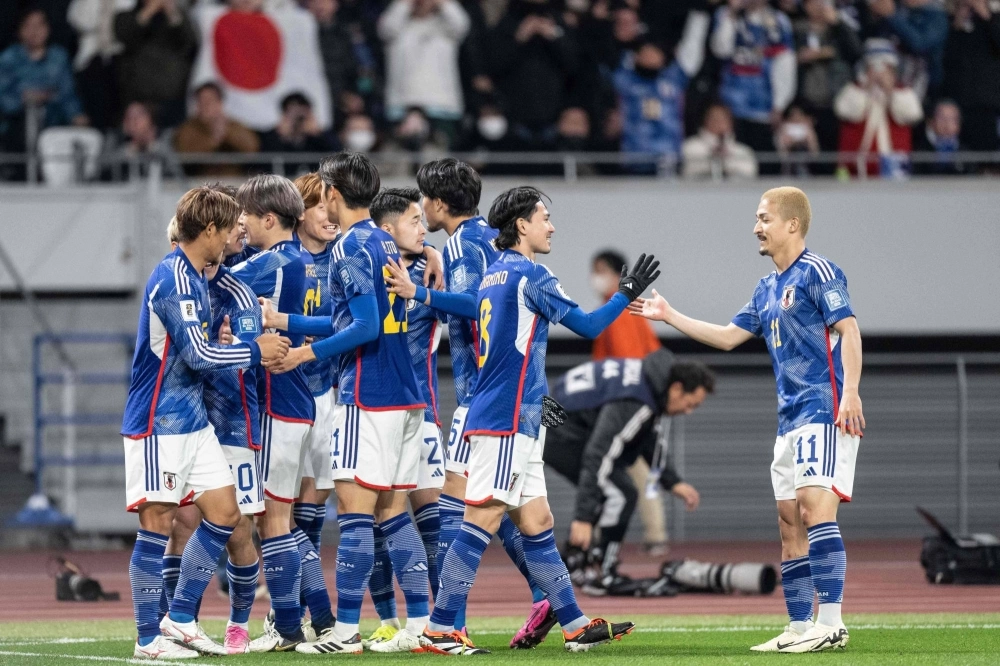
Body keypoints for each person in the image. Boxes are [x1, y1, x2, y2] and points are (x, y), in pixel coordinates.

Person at [420, 185, 658, 655]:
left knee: (538, 520)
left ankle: (572, 622)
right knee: (482, 516)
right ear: (522, 225)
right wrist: (625, 293)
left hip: (511, 413)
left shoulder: (492, 275)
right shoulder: (531, 274)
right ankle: (440, 627)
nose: (551, 225)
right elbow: (588, 326)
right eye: (544, 217)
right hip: (507, 417)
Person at [633, 186, 864, 653]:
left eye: (764, 218)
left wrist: (852, 393)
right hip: (788, 418)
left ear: (792, 225)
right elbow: (726, 337)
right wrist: (670, 315)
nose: (756, 227)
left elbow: (850, 329)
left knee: (815, 509)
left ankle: (833, 622)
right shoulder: (766, 288)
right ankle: (800, 626)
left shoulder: (819, 271)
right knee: (788, 522)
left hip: (824, 407)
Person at [259, 152, 431, 655]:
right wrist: (287, 322)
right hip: (406, 394)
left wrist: (303, 355)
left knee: (355, 516)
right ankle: (420, 624)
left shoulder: (350, 247)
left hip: (367, 394)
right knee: (394, 515)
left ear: (332, 193)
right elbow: (356, 315)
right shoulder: (383, 240)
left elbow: (363, 327)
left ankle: (346, 632)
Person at [383, 158, 548, 648]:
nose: (420, 211)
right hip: (508, 391)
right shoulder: (485, 238)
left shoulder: (460, 243)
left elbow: (477, 301)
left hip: (483, 396)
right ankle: (551, 599)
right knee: (511, 510)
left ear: (436, 202)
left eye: (421, 203)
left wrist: (420, 294)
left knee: (460, 508)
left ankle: (446, 620)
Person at [121, 186, 288, 659]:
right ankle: (147, 640)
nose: (238, 231)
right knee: (158, 523)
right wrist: (253, 350)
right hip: (158, 421)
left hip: (193, 422)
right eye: (230, 224)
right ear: (209, 229)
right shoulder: (173, 277)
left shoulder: (197, 275)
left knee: (225, 512)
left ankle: (179, 617)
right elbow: (197, 354)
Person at [226, 175, 320, 652]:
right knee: (276, 518)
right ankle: (305, 621)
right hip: (296, 400)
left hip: (275, 401)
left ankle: (287, 626)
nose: (237, 223)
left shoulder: (269, 262)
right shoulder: (302, 261)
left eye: (243, 214)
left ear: (268, 218)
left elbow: (212, 284)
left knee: (270, 520)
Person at [546, 350, 711, 593]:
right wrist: (582, 517)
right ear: (676, 389)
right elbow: (598, 453)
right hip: (559, 431)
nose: (688, 412)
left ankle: (573, 563)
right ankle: (603, 572)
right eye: (690, 404)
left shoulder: (650, 381)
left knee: (612, 489)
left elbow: (647, 434)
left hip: (557, 419)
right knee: (621, 494)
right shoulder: (638, 398)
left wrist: (671, 480)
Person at [363, 187, 446, 651]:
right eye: (415, 220)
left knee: (432, 520)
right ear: (388, 228)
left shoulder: (434, 269)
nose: (424, 226)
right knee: (374, 519)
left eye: (423, 219)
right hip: (373, 408)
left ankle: (442, 619)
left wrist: (430, 250)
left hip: (423, 410)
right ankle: (388, 620)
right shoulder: (366, 266)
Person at [288, 172, 340, 643]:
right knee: (276, 514)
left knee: (311, 512)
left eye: (333, 204)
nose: (330, 214)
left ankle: (303, 610)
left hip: (328, 395)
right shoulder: (282, 258)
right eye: (320, 205)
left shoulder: (347, 256)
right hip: (281, 394)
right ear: (299, 211)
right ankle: (313, 610)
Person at [613, 10, 709, 172]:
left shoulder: (675, 78)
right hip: (634, 155)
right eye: (645, 52)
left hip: (668, 155)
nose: (650, 56)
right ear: (635, 56)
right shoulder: (624, 78)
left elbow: (693, 48)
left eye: (655, 52)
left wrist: (700, 13)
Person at [710, 0, 797, 164]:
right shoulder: (725, 15)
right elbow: (721, 50)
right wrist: (732, 13)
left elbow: (785, 64)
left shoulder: (779, 20)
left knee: (764, 166)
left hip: (763, 107)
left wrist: (780, 104)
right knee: (735, 164)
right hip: (731, 107)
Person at [378, 0, 470, 146]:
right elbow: (387, 27)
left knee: (438, 165)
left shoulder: (445, 28)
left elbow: (461, 23)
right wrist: (404, 3)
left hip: (442, 107)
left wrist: (443, 3)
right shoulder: (396, 29)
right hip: (401, 106)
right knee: (400, 163)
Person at [0, 7, 88, 154]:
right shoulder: (8, 59)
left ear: (47, 29)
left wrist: (76, 115)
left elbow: (67, 94)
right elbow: (3, 97)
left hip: (53, 122)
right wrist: (25, 98)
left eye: (39, 25)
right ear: (20, 30)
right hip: (16, 124)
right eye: (29, 26)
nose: (35, 31)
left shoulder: (58, 57)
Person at [833, 38, 923, 177]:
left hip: (895, 171)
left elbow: (911, 114)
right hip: (855, 172)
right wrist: (867, 88)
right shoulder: (853, 90)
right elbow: (848, 112)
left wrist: (890, 91)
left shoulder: (903, 92)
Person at [793, 0, 863, 153]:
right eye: (813, 2)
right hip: (808, 105)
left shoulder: (838, 30)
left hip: (836, 103)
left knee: (836, 154)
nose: (819, 6)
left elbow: (856, 52)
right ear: (805, 6)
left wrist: (838, 24)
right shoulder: (797, 30)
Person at [114, 0, 198, 128]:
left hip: (173, 99)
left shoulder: (178, 17)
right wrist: (149, 10)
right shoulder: (126, 16)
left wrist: (171, 12)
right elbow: (126, 34)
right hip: (139, 101)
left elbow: (188, 43)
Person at [943, 0, 1000, 154]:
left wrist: (984, 13)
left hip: (987, 103)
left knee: (985, 155)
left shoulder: (994, 18)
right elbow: (947, 58)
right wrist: (958, 23)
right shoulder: (951, 21)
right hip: (958, 102)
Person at [173, 83, 261, 177]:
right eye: (200, 101)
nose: (205, 105)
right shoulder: (188, 128)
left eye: (209, 101)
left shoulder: (234, 125)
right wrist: (213, 140)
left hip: (234, 181)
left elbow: (252, 147)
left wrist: (227, 132)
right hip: (199, 182)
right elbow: (184, 153)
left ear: (220, 103)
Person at [867, 0, 948, 100]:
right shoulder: (900, 10)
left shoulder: (936, 16)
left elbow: (920, 43)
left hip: (919, 87)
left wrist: (892, 16)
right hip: (886, 80)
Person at [590, 250, 661, 361]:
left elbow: (628, 358)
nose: (596, 277)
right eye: (595, 271)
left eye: (601, 271)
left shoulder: (619, 309)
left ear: (618, 276)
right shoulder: (620, 305)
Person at [259, 93, 339, 176]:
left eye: (302, 116)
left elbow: (338, 157)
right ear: (284, 115)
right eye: (293, 115)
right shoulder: (271, 137)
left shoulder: (320, 137)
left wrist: (319, 134)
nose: (298, 121)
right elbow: (263, 163)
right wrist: (279, 136)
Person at [682, 102, 759, 179]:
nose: (719, 122)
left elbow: (749, 176)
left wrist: (727, 160)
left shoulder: (743, 151)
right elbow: (690, 172)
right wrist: (713, 158)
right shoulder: (691, 147)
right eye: (714, 118)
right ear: (705, 121)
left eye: (723, 119)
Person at [913, 99, 968, 175]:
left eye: (952, 119)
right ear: (931, 122)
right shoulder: (920, 152)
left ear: (959, 124)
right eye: (942, 118)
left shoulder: (967, 153)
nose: (947, 124)